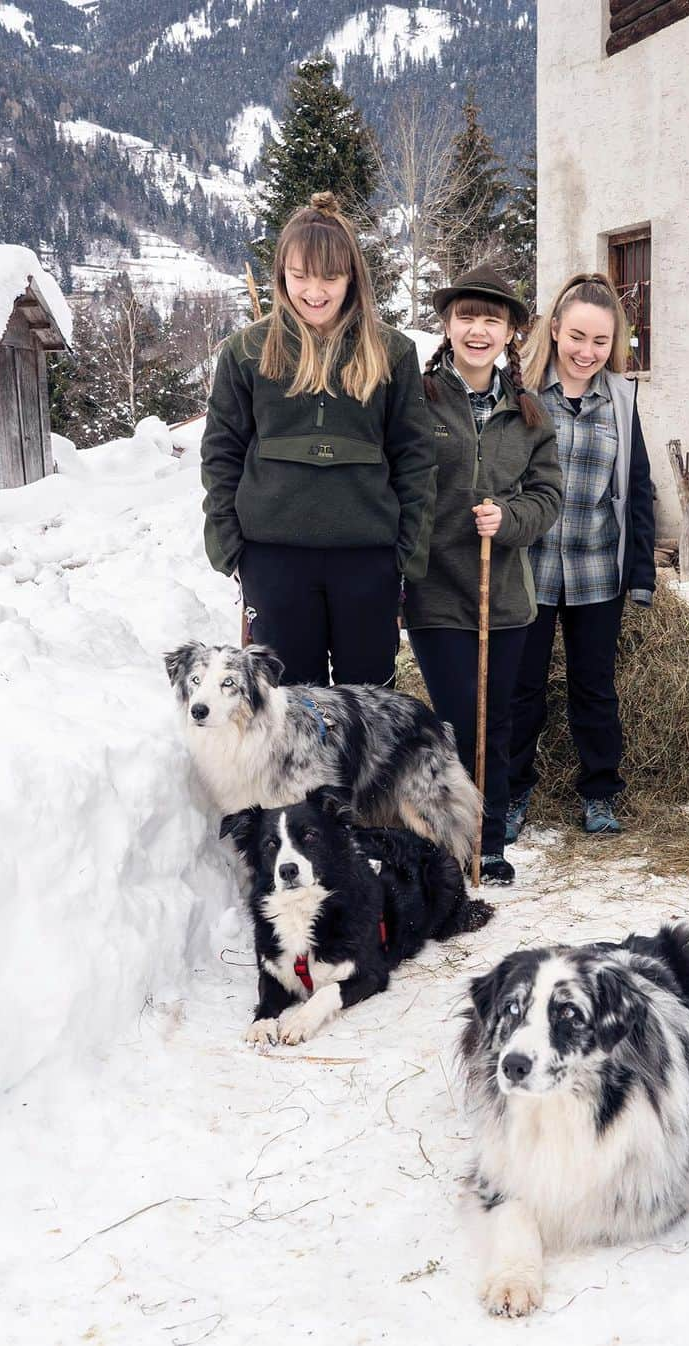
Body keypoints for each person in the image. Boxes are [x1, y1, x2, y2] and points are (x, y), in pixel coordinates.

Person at [200, 190, 435, 687]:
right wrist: (230, 546)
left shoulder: (391, 352)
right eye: (300, 275)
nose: (314, 290)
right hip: (274, 558)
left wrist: (405, 553)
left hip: (367, 559)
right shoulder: (247, 351)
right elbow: (221, 453)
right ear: (282, 274)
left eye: (330, 276)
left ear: (352, 277)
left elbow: (414, 456)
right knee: (290, 707)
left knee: (369, 705)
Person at [403, 265, 562, 886]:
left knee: (494, 724)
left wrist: (510, 516)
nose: (478, 329)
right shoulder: (418, 399)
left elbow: (548, 496)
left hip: (507, 599)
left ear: (510, 335)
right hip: (437, 591)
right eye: (466, 316)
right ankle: (450, 833)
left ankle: (489, 842)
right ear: (447, 325)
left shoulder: (529, 413)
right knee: (454, 720)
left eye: (491, 319)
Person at [505, 273, 656, 840]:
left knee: (594, 687)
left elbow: (637, 487)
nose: (587, 352)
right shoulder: (521, 392)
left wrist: (641, 570)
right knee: (524, 688)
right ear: (555, 330)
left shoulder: (620, 398)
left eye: (600, 342)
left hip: (597, 570)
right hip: (531, 568)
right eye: (577, 337)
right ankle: (513, 790)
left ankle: (599, 794)